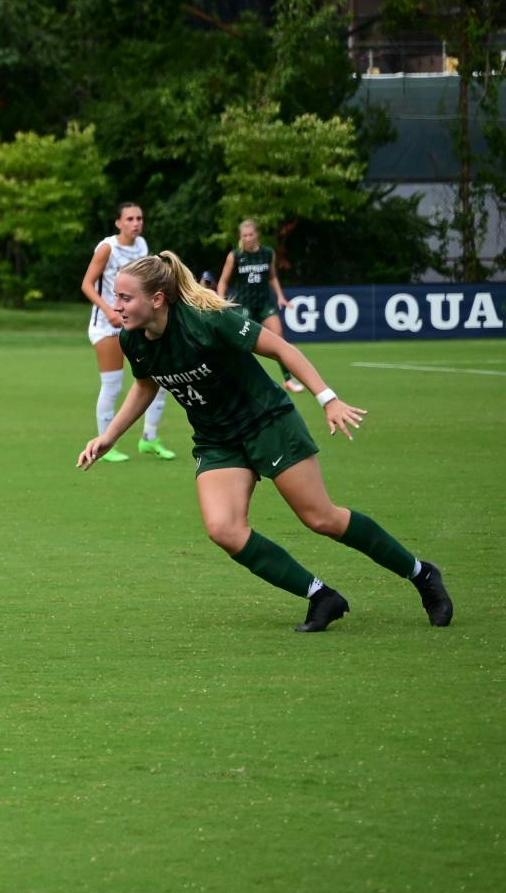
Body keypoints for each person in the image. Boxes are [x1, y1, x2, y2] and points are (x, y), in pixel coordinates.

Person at [79, 250, 451, 633]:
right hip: (217, 439)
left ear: (157, 299)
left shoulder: (209, 322)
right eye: (116, 296)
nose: (116, 304)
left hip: (267, 422)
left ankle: (422, 574)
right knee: (224, 529)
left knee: (321, 518)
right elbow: (145, 385)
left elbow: (281, 348)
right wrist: (109, 436)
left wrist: (328, 398)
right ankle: (322, 597)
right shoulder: (132, 340)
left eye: (125, 297)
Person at [79, 203, 173, 462]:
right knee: (113, 385)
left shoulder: (142, 246)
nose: (136, 223)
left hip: (135, 324)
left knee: (158, 379)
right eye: (130, 218)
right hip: (106, 325)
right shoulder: (107, 247)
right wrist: (108, 310)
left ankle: (149, 439)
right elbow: (87, 284)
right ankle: (103, 442)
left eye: (139, 218)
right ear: (118, 223)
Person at [217, 219, 304, 393]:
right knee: (241, 343)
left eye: (250, 235)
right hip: (244, 304)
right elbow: (223, 282)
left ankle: (288, 379)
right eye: (244, 235)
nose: (248, 238)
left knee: (279, 338)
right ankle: (235, 378)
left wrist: (280, 296)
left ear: (257, 235)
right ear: (240, 237)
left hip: (265, 303)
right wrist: (220, 303)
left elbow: (272, 277)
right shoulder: (235, 255)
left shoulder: (267, 253)